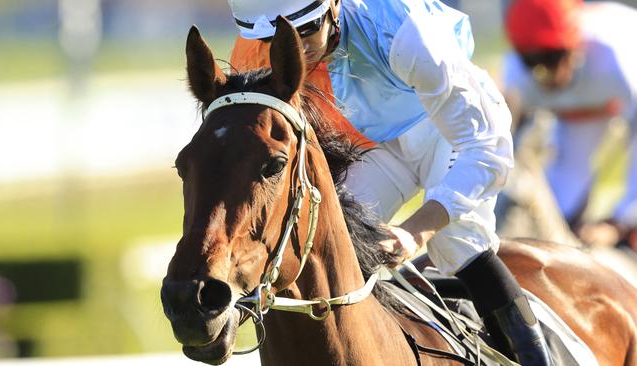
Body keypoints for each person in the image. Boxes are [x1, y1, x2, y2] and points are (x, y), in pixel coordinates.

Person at [227, 0, 551, 364]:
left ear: (334, 5)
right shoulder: (251, 53)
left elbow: (487, 148)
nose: (296, 48)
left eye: (306, 30)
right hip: (376, 142)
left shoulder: (404, 32)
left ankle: (536, 357)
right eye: (276, 38)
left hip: (449, 130)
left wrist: (416, 231)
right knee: (335, 242)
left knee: (458, 243)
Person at [503, 0, 637, 251]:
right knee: (560, 215)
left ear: (576, 44)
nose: (544, 73)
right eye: (532, 60)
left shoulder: (615, 61)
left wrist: (621, 222)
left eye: (552, 57)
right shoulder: (515, 75)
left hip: (617, 86)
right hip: (582, 109)